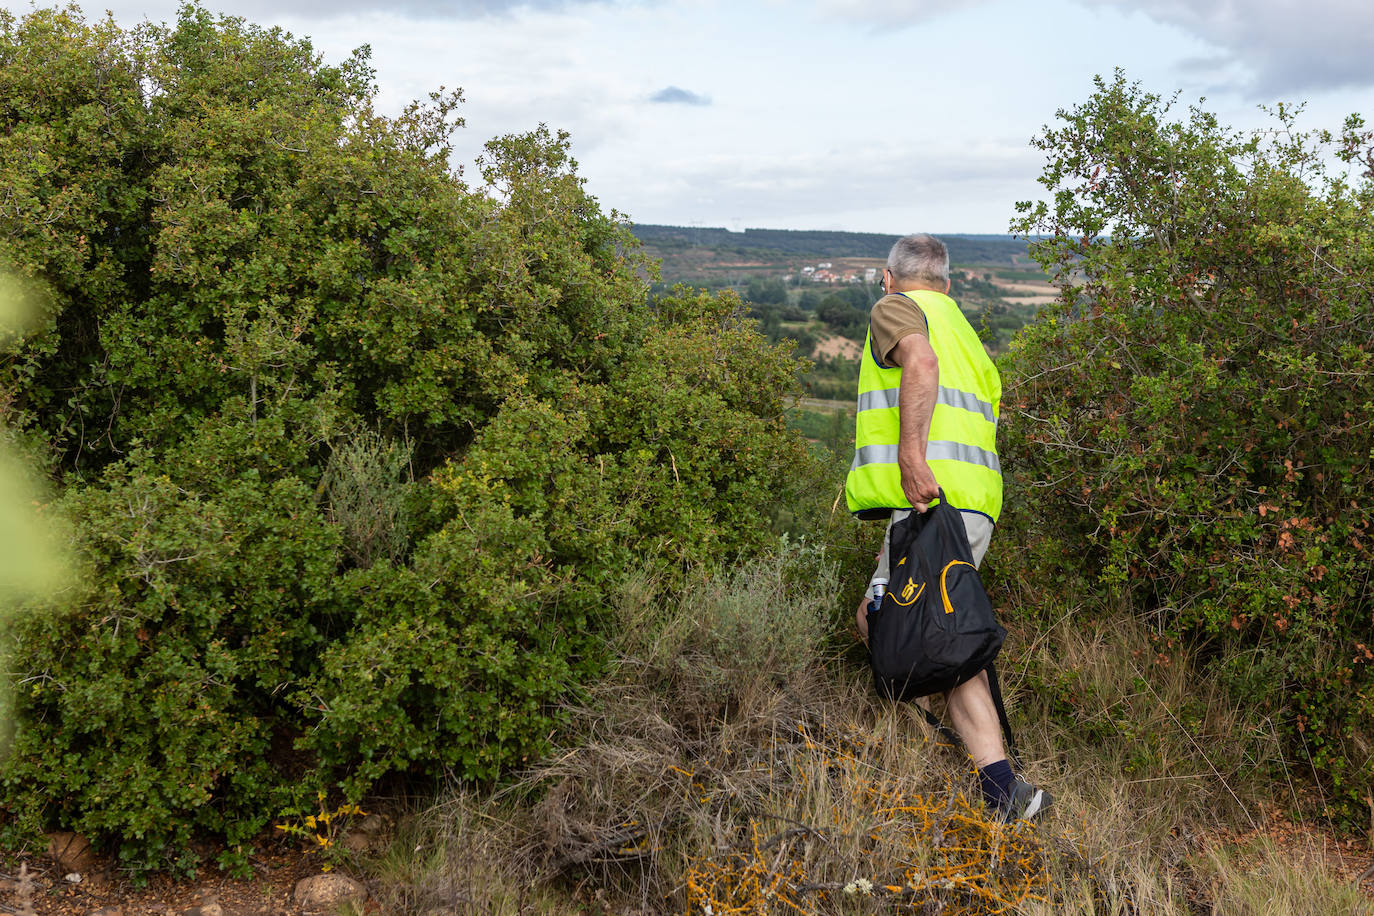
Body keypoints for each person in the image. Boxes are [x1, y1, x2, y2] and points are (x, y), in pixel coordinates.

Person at [845, 233, 1050, 822]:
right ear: (949, 282)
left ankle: (998, 784)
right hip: (974, 505)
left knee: (906, 629)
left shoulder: (896, 308)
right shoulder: (963, 328)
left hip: (931, 502)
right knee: (918, 626)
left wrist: (911, 457)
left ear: (889, 277)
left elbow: (920, 363)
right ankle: (985, 774)